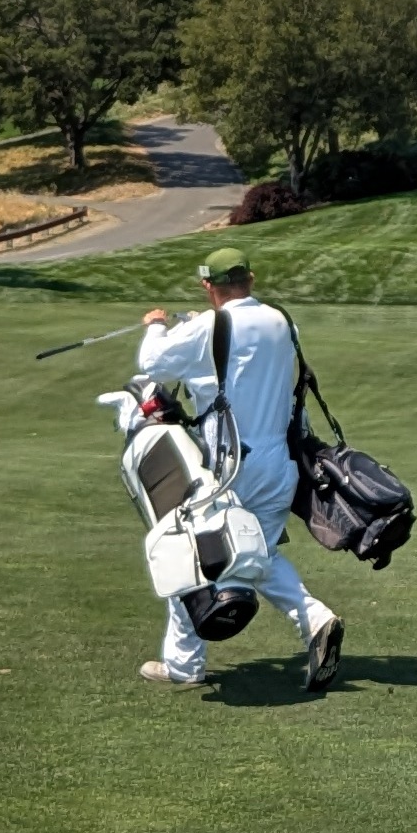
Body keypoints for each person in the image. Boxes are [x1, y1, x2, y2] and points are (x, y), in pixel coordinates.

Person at [133, 246, 344, 691]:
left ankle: (183, 666)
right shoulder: (282, 320)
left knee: (189, 555)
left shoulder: (213, 324)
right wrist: (200, 329)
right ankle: (316, 620)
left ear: (210, 286)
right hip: (278, 465)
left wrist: (156, 326)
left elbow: (152, 364)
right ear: (249, 280)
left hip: (229, 468)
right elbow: (243, 365)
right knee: (259, 557)